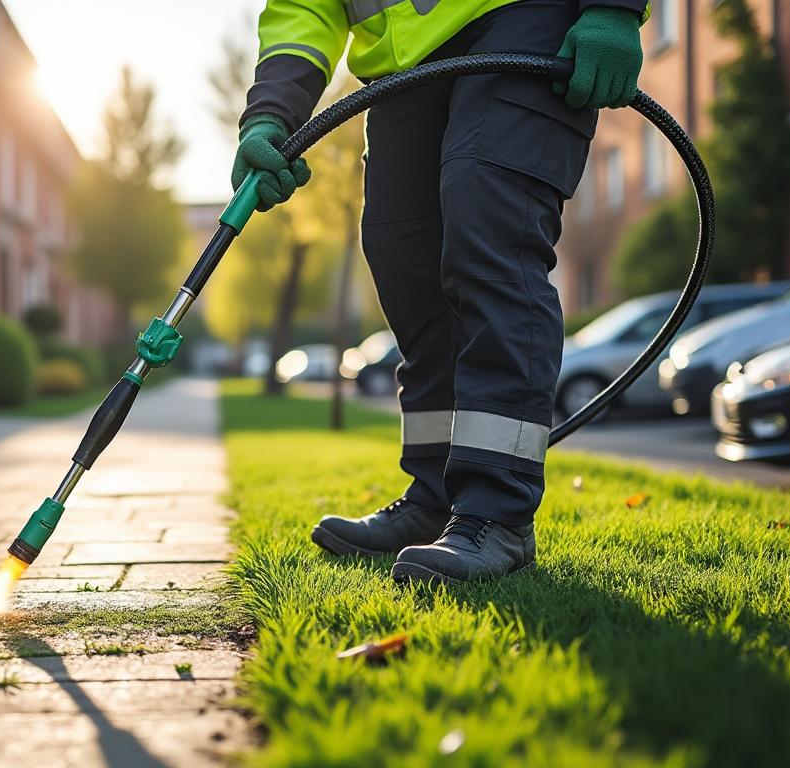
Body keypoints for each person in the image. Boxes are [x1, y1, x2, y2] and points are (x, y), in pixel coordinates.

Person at [233, 0, 646, 583]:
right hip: (402, 66)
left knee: (489, 234)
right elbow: (305, 7)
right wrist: (271, 112)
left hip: (526, 16)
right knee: (405, 262)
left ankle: (495, 513)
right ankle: (435, 498)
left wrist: (613, 8)